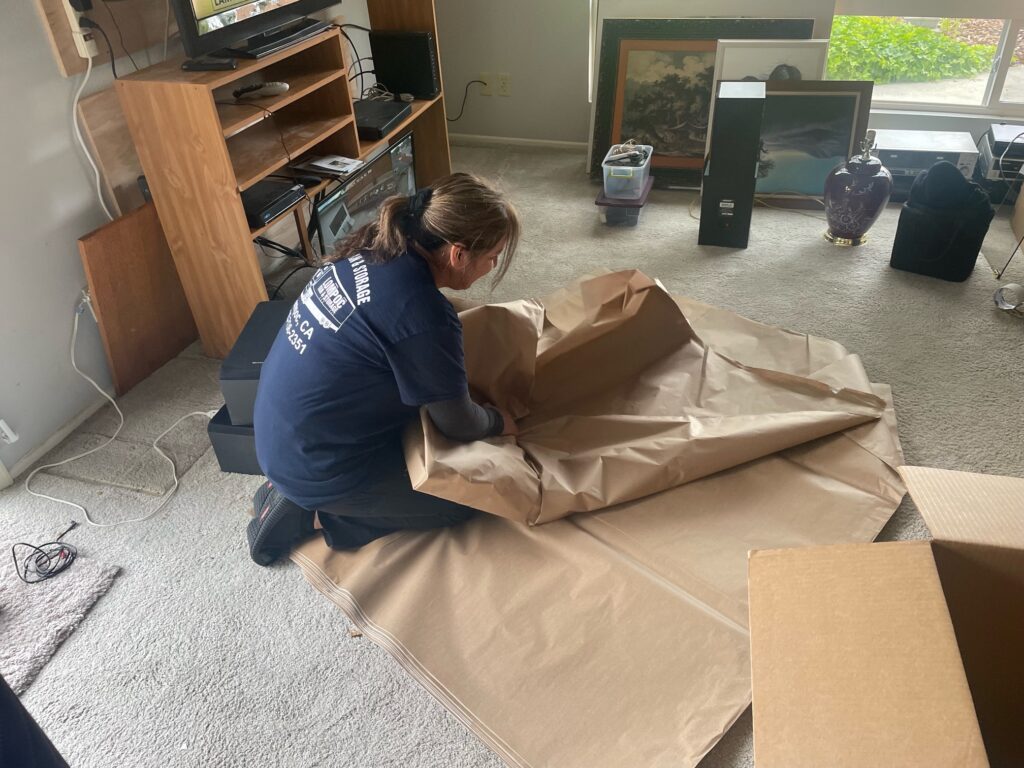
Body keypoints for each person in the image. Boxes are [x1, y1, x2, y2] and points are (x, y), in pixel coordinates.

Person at [248, 172, 520, 565]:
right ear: (458, 254)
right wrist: (499, 421)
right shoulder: (422, 312)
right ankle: (312, 517)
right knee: (464, 498)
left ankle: (289, 487)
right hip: (319, 463)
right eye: (492, 257)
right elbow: (458, 424)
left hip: (284, 437)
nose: (493, 266)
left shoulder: (377, 246)